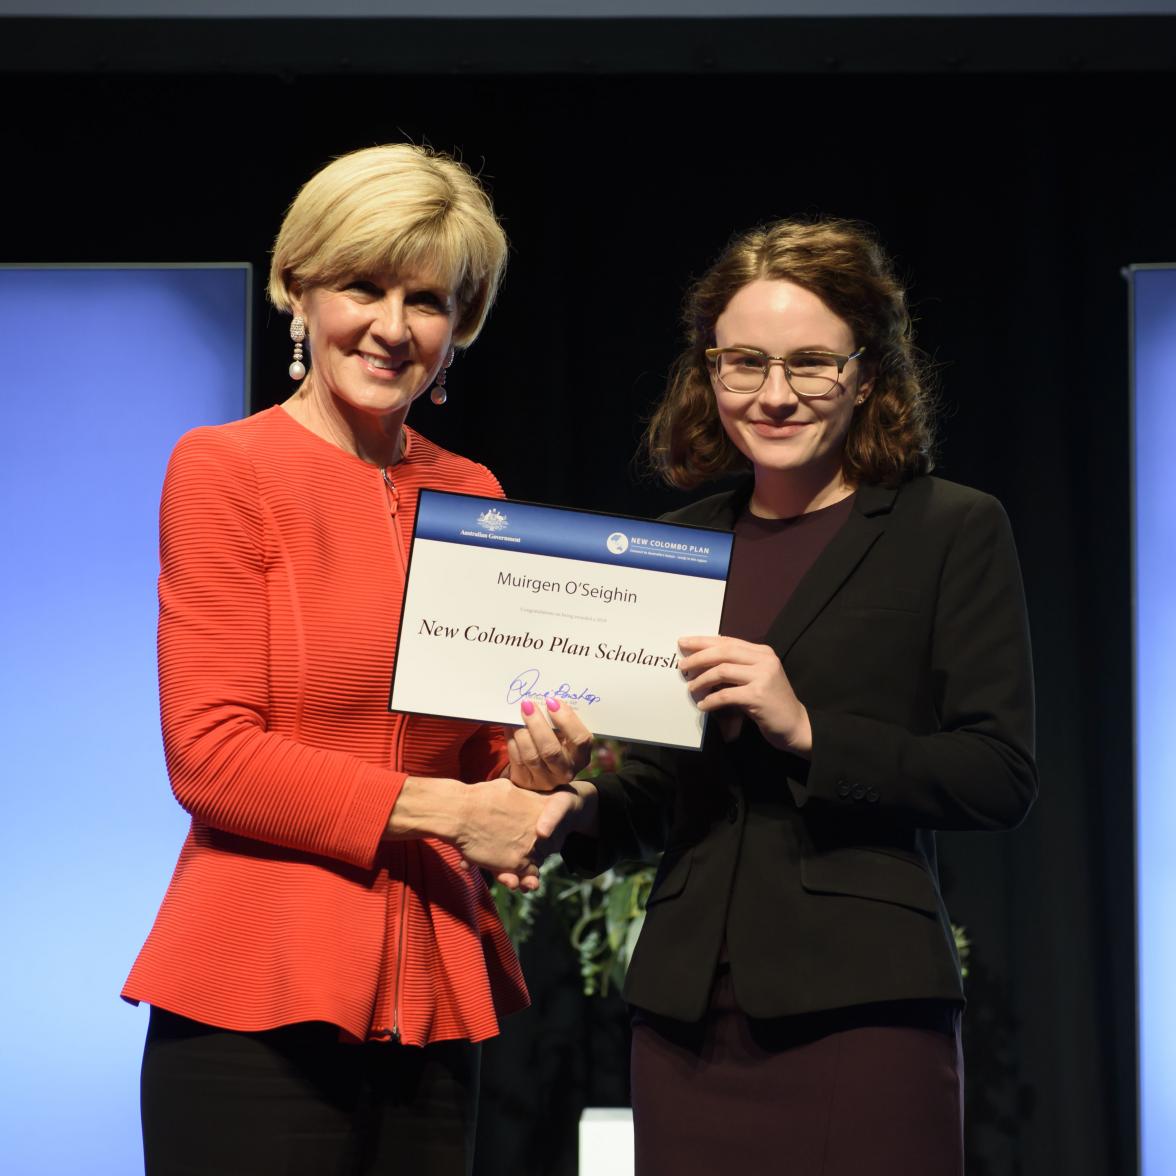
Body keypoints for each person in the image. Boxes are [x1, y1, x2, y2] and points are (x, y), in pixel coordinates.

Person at [122, 143, 589, 1176]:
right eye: (361, 286)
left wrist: (531, 772)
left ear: (460, 326)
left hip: (429, 991)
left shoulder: (474, 493)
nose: (392, 325)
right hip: (253, 992)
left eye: (427, 298)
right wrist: (453, 812)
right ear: (298, 288)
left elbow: (479, 760)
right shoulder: (223, 469)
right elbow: (210, 758)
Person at [545, 218, 1037, 1175]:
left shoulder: (951, 528)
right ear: (709, 370)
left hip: (862, 1009)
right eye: (744, 363)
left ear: (868, 370)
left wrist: (809, 730)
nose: (775, 395)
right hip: (685, 1023)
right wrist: (568, 801)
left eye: (811, 363)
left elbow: (999, 772)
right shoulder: (675, 547)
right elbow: (654, 793)